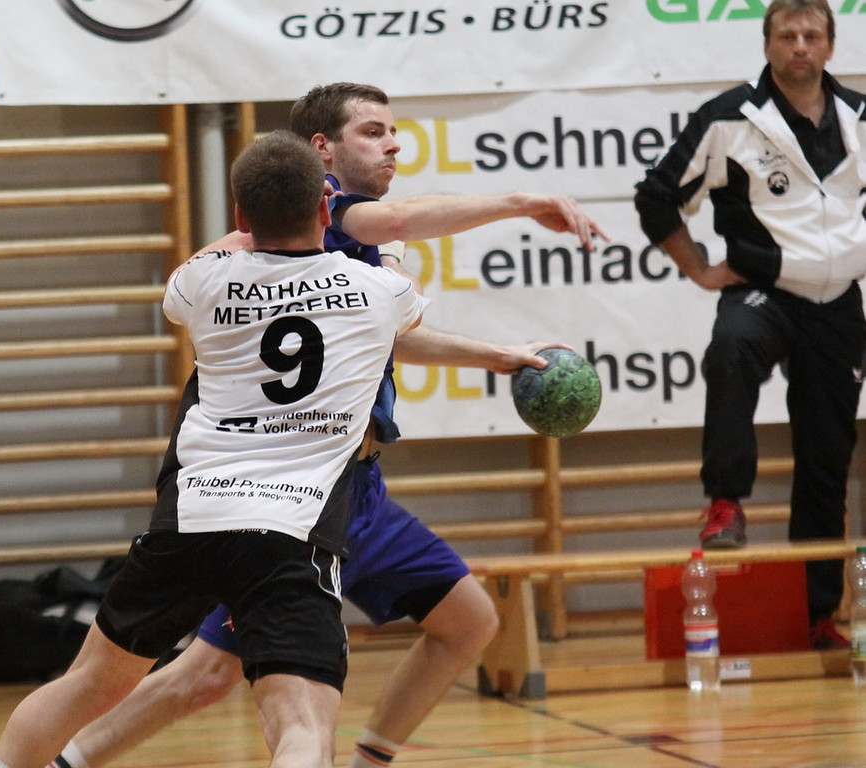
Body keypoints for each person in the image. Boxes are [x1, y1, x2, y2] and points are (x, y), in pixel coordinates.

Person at [46, 82, 607, 768]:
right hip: (295, 494)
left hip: (355, 491)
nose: (393, 143)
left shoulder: (353, 247)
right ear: (323, 152)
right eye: (373, 131)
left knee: (466, 620)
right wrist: (520, 202)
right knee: (211, 675)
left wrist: (498, 356)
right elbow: (399, 219)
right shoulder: (332, 214)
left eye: (392, 130)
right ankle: (68, 759)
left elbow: (397, 332)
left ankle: (369, 760)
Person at [0, 130, 428, 768]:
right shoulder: (380, 290)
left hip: (190, 518)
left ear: (241, 216)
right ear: (324, 209)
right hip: (292, 529)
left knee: (85, 684)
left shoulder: (204, 282)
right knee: (299, 723)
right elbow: (407, 295)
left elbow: (195, 270)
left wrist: (246, 230)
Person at [634, 0, 866, 649]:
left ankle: (816, 615)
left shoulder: (859, 118)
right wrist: (698, 269)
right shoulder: (729, 117)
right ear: (767, 45)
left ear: (829, 46)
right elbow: (656, 196)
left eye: (811, 35)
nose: (800, 46)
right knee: (731, 345)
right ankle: (725, 502)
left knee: (826, 460)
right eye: (787, 35)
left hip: (837, 303)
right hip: (762, 288)